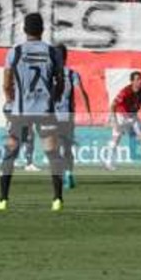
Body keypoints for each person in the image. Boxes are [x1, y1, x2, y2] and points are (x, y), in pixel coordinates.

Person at [0, 13, 68, 211]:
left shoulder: (15, 52)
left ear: (25, 30)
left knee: (10, 153)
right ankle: (57, 199)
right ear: (42, 30)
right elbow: (60, 82)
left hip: (20, 111)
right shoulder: (53, 53)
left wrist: (11, 99)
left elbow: (6, 82)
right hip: (45, 109)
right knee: (53, 153)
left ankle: (3, 200)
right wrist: (54, 99)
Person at [52, 44, 92, 189]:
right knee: (66, 148)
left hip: (53, 117)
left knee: (56, 148)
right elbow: (82, 92)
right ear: (65, 56)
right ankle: (68, 174)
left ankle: (63, 175)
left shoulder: (49, 74)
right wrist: (88, 113)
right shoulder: (72, 74)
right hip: (68, 117)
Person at [106, 71, 141, 171]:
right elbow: (112, 105)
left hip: (133, 116)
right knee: (116, 139)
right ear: (132, 81)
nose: (140, 81)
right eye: (137, 79)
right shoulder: (125, 92)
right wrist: (114, 121)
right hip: (121, 116)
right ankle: (109, 163)